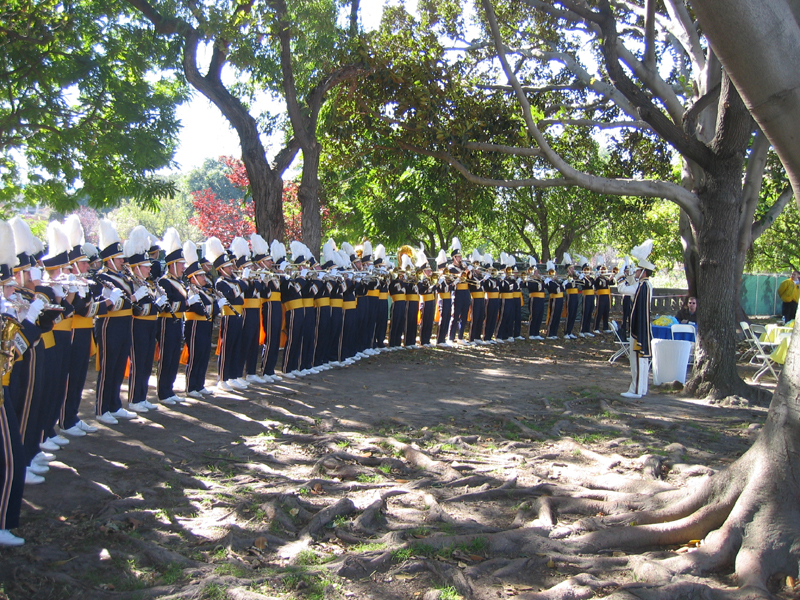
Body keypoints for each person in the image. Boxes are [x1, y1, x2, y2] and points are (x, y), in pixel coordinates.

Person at [622, 240, 655, 399]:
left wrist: (620, 276)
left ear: (644, 272)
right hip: (642, 326)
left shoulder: (641, 286)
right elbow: (633, 283)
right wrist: (629, 274)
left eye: (638, 270)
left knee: (637, 361)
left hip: (638, 327)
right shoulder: (645, 285)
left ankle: (635, 390)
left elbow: (623, 288)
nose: (636, 272)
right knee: (639, 361)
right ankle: (640, 389)